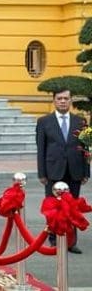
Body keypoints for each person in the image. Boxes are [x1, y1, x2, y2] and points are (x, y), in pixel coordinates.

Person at [36, 88, 89, 253]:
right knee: (54, 208)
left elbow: (86, 148)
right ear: (54, 101)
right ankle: (54, 240)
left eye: (66, 98)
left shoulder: (80, 122)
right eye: (59, 99)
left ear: (71, 100)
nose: (63, 101)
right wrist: (42, 173)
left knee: (72, 208)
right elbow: (41, 149)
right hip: (53, 170)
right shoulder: (44, 121)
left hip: (75, 170)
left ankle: (71, 242)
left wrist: (86, 172)